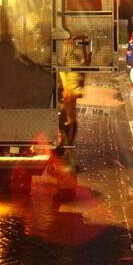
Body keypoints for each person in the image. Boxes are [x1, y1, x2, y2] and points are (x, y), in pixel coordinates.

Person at [55, 34, 90, 195]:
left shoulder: (69, 55)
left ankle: (67, 178)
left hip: (63, 103)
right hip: (62, 103)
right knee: (64, 133)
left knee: (64, 136)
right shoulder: (67, 54)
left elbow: (74, 79)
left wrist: (72, 90)